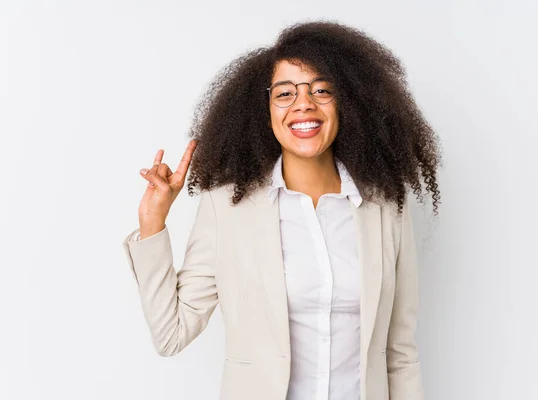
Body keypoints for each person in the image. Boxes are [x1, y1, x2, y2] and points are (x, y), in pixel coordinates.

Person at [122, 21, 441, 400]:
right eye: (285, 93)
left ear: (348, 102)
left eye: (322, 89)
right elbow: (170, 334)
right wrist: (152, 221)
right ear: (265, 109)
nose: (304, 103)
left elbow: (400, 354)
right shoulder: (227, 209)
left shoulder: (386, 206)